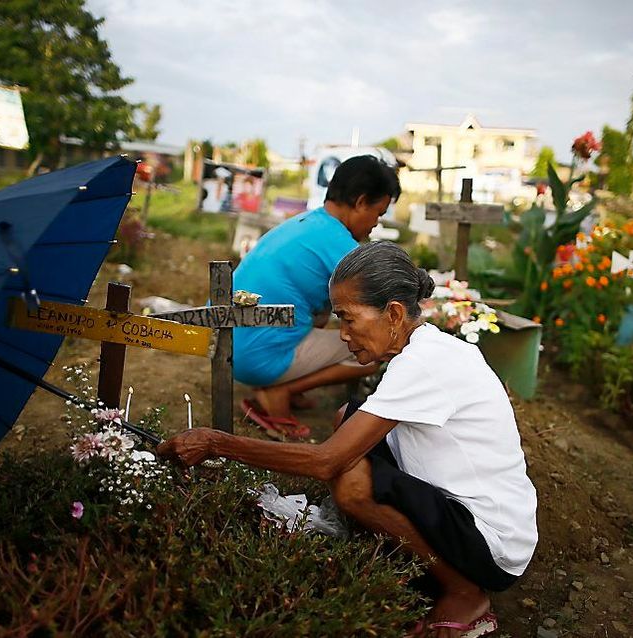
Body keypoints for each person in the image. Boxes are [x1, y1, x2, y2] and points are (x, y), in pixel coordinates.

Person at [160, 242, 538, 637]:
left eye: (348, 318)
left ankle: (464, 592)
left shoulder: (425, 364)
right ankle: (385, 536)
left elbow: (326, 462)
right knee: (347, 417)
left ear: (393, 314)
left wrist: (216, 443)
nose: (342, 335)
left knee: (352, 483)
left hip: (490, 543)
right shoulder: (427, 347)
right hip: (464, 511)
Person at [232, 155, 400, 438]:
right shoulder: (340, 245)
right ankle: (278, 390)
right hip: (255, 358)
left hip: (229, 344)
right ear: (360, 202)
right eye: (378, 213)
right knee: (375, 350)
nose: (375, 223)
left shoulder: (305, 222)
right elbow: (379, 298)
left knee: (322, 313)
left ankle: (284, 386)